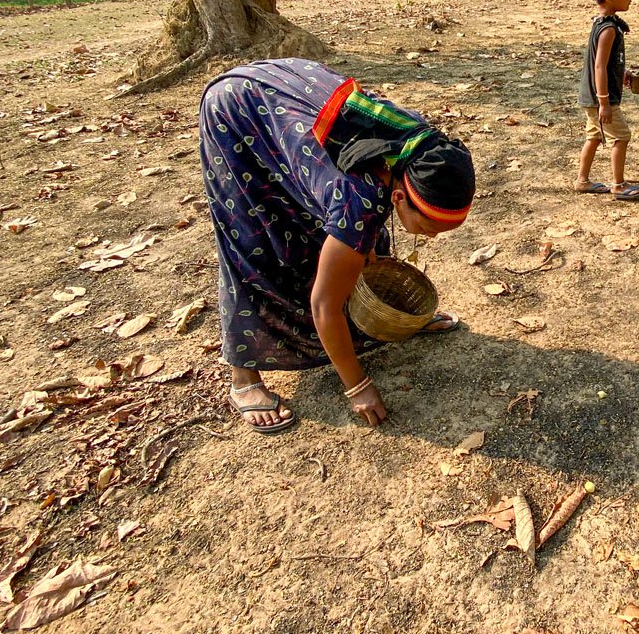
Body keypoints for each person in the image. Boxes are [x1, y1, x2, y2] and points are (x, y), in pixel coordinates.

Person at [199, 58, 474, 434]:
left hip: (291, 101)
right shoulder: (358, 199)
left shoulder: (422, 151)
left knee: (345, 235)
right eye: (428, 227)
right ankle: (243, 377)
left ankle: (358, 327)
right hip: (239, 109)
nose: (433, 237)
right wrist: (358, 387)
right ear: (398, 198)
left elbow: (360, 233)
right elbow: (323, 303)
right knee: (256, 239)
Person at [574, 0, 639, 201]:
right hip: (601, 99)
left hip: (590, 97)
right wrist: (604, 102)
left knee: (594, 136)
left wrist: (621, 73)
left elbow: (604, 63)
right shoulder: (609, 29)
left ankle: (582, 181)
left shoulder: (603, 24)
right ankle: (618, 185)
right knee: (621, 136)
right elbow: (599, 66)